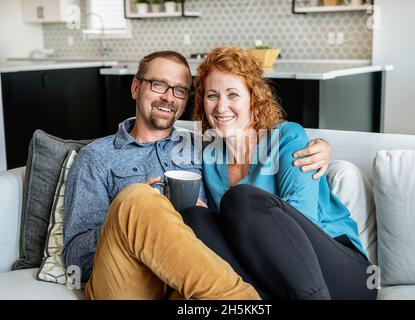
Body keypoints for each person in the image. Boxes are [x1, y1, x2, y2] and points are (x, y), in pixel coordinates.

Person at [62, 50, 332, 300]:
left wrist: (323, 146)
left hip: (188, 285)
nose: (169, 97)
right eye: (158, 84)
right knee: (139, 199)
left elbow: (251, 142)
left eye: (179, 90)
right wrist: (137, 221)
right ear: (136, 88)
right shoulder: (97, 156)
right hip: (130, 281)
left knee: (194, 218)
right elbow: (76, 259)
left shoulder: (204, 147)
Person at [183, 46, 377, 300]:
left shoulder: (287, 137)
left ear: (254, 99)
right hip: (273, 278)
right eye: (212, 96)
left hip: (341, 272)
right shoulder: (210, 158)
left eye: (233, 95)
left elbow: (302, 218)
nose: (221, 107)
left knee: (240, 199)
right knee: (194, 216)